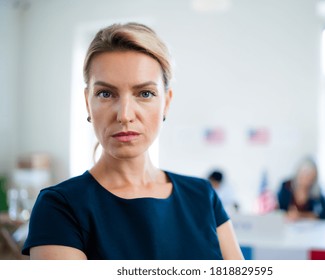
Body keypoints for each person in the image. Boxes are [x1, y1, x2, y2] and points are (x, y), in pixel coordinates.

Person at [21, 23, 243, 260]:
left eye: (145, 93)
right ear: (88, 102)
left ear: (166, 102)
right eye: (106, 94)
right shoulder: (60, 207)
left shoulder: (202, 196)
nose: (124, 114)